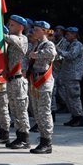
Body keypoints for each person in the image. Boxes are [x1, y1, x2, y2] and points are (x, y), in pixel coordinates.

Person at [28, 21, 57, 154]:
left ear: (45, 31)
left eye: (37, 30)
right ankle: (42, 139)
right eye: (34, 29)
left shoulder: (48, 44)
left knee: (44, 111)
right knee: (37, 112)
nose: (34, 32)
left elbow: (52, 54)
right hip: (35, 79)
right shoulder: (36, 44)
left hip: (43, 81)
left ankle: (47, 142)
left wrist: (36, 55)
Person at [3, 15, 31, 149]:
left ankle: (25, 138)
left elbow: (8, 38)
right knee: (14, 109)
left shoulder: (23, 39)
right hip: (11, 79)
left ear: (21, 27)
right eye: (9, 24)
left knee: (21, 109)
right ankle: (19, 136)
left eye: (12, 25)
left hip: (19, 80)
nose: (9, 27)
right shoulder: (11, 40)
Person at [57, 26, 83, 127]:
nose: (66, 36)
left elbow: (71, 55)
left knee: (74, 98)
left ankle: (79, 118)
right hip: (68, 75)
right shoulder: (70, 45)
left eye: (68, 34)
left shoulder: (77, 45)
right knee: (69, 98)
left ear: (74, 35)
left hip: (73, 76)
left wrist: (59, 51)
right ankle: (74, 117)